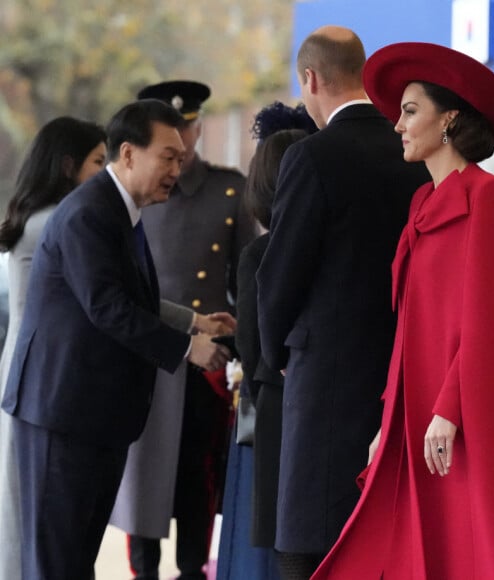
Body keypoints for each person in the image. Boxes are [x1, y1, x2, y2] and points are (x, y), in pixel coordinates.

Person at [312, 42, 494, 580]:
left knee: (464, 543)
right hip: (415, 408)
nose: (399, 126)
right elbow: (410, 325)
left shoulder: (489, 197)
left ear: (448, 117)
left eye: (410, 111)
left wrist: (449, 409)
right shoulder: (420, 204)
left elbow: (488, 319)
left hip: (461, 410)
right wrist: (390, 415)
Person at [1, 99, 232, 580]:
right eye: (167, 156)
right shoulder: (89, 213)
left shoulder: (122, 210)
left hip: (94, 419)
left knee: (75, 560)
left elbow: (137, 299)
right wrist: (190, 349)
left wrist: (195, 323)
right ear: (127, 154)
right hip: (59, 416)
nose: (178, 166)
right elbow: (108, 307)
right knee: (55, 564)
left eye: (180, 156)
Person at [256, 26, 430, 579]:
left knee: (309, 541)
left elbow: (280, 271)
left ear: (309, 79)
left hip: (324, 375)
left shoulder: (313, 156)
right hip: (404, 366)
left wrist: (273, 350)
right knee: (384, 533)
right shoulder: (414, 151)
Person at [109, 80, 255, 580]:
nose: (185, 140)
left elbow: (244, 281)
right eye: (174, 132)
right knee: (144, 475)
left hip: (206, 360)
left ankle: (193, 570)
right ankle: (143, 572)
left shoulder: (229, 189)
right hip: (148, 354)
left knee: (198, 474)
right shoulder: (131, 194)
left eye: (190, 127)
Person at [0, 116, 107, 580]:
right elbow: (106, 294)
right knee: (26, 515)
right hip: (40, 378)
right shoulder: (58, 221)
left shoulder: (46, 217)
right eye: (98, 162)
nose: (105, 174)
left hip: (29, 372)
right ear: (68, 166)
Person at [218, 102, 317, 580]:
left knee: (284, 550)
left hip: (276, 418)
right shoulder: (335, 247)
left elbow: (253, 350)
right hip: (330, 417)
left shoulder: (260, 253)